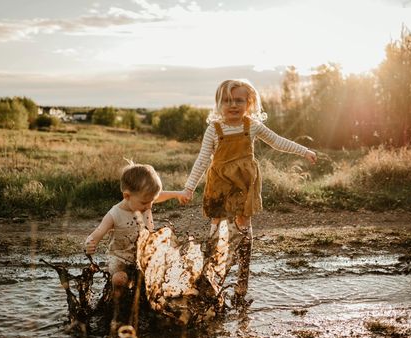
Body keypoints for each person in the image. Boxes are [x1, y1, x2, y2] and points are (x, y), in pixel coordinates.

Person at [181, 79, 317, 304]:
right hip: (220, 187)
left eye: (239, 100)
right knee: (217, 234)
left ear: (249, 102)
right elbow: (202, 159)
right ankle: (212, 280)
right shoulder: (213, 129)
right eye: (227, 100)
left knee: (243, 230)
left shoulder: (251, 125)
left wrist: (304, 151)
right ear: (218, 104)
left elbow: (277, 142)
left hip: (245, 186)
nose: (233, 105)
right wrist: (188, 188)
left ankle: (242, 283)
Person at [84, 162, 186, 318]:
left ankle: (152, 308)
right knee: (120, 279)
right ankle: (116, 308)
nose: (149, 206)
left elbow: (158, 195)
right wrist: (91, 242)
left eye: (152, 201)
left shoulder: (144, 202)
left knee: (162, 277)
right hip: (119, 257)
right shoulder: (115, 214)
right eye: (145, 203)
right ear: (127, 196)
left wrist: (178, 194)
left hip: (143, 257)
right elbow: (99, 232)